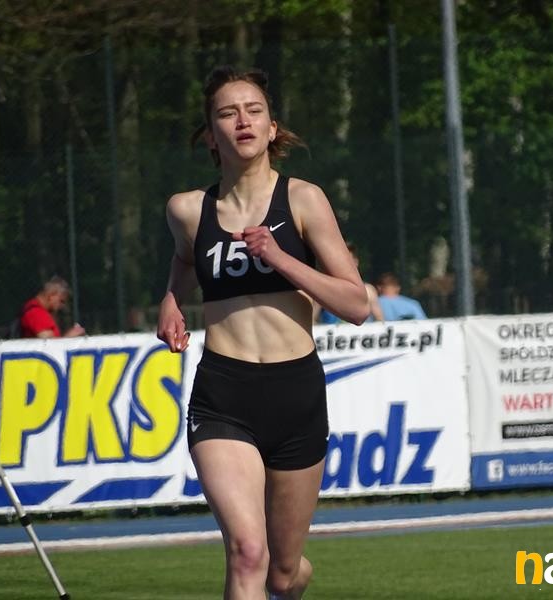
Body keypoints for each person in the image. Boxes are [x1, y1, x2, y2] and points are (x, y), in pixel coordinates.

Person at [156, 65, 370, 600]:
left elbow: (357, 305)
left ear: (273, 128)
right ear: (211, 135)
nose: (242, 121)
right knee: (248, 551)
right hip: (223, 394)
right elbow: (185, 260)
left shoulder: (303, 199)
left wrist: (280, 258)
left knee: (281, 572)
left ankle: (291, 580)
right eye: (227, 113)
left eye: (254, 111)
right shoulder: (187, 210)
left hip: (296, 394)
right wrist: (171, 300)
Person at [316, 242, 383, 324]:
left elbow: (380, 322)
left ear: (356, 262)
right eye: (340, 261)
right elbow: (312, 320)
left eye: (347, 261)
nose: (343, 265)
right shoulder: (323, 290)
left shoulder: (368, 291)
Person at [19, 276, 86, 338]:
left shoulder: (34, 309)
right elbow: (49, 344)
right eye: (61, 301)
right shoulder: (37, 313)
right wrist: (70, 336)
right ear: (51, 295)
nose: (62, 306)